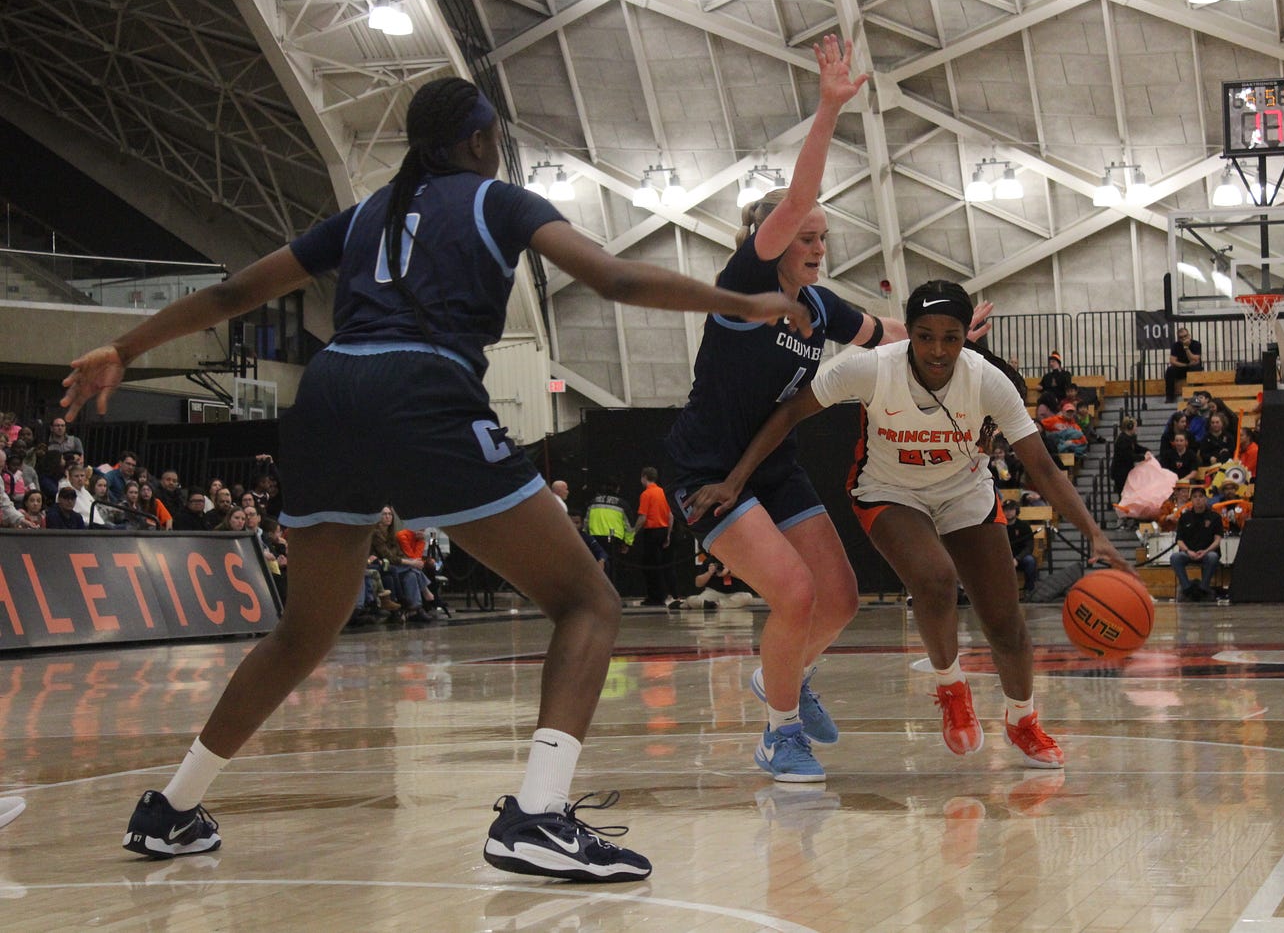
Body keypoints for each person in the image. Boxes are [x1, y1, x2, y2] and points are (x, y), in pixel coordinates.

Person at [62, 75, 809, 883]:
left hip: (329, 391)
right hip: (419, 390)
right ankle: (539, 815)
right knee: (587, 601)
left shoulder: (367, 215)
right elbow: (617, 281)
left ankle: (172, 808)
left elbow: (237, 290)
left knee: (303, 631)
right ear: (482, 141)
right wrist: (746, 301)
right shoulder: (499, 201)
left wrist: (127, 349)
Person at [686, 280, 1127, 774]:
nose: (937, 350)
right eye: (925, 336)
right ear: (909, 335)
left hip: (964, 492)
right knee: (936, 579)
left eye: (951, 337)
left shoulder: (987, 381)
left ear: (966, 339)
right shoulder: (870, 367)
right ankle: (951, 688)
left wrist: (1096, 535)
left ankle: (1023, 720)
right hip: (889, 491)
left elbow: (1043, 469)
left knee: (1006, 622)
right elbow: (789, 411)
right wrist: (734, 480)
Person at [663, 36, 931, 784]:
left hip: (771, 466)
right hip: (709, 468)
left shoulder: (820, 304)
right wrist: (827, 110)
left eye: (822, 237)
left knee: (840, 599)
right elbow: (796, 199)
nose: (816, 244)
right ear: (769, 242)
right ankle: (779, 731)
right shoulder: (746, 290)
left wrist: (949, 331)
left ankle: (778, 679)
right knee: (794, 592)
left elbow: (890, 334)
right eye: (803, 235)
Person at [631, 467, 675, 606]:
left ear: (644, 477)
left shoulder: (646, 494)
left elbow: (643, 517)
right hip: (663, 531)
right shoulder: (663, 492)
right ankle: (664, 594)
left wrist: (633, 531)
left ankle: (654, 597)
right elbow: (670, 516)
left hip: (652, 532)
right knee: (661, 565)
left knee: (650, 566)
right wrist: (668, 534)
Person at [1169, 486, 1223, 600]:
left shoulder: (1215, 517)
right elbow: (1179, 540)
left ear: (1206, 499)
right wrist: (1189, 552)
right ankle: (1187, 589)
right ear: (1191, 500)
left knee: (1213, 557)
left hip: (1207, 552)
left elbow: (1218, 540)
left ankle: (1203, 588)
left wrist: (1206, 551)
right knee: (1175, 557)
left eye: (1201, 496)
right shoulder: (1184, 517)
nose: (1198, 499)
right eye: (1195, 497)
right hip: (1189, 553)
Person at [1004, 499, 1038, 598]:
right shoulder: (999, 527)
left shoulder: (1023, 526)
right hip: (1003, 558)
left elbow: (1029, 547)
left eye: (1011, 509)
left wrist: (1017, 559)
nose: (1009, 512)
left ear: (1016, 510)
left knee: (1030, 561)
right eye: (1006, 510)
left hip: (1020, 558)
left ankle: (1029, 590)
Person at [1109, 416, 1148, 496]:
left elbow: (1135, 447)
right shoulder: (1123, 440)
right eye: (1135, 426)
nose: (1136, 428)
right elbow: (1128, 456)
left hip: (1126, 470)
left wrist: (1146, 450)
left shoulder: (1130, 438)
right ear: (1130, 426)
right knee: (1124, 494)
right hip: (1120, 473)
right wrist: (1143, 457)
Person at [1164, 326, 1202, 403]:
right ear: (1178, 338)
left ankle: (1198, 395)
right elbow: (1172, 361)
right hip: (1182, 367)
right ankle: (1170, 397)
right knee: (1170, 370)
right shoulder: (1175, 345)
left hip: (1193, 367)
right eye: (1181, 337)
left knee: (1196, 368)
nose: (1183, 338)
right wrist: (1186, 365)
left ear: (1189, 335)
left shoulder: (1196, 344)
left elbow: (1195, 359)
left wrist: (1186, 348)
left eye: (1185, 336)